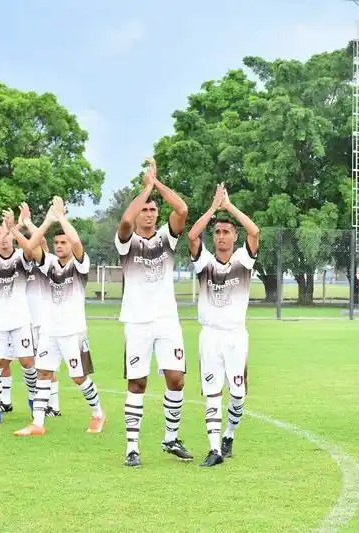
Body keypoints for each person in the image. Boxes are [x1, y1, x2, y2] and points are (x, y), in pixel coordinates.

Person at [116, 157, 192, 467]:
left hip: (166, 320)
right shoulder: (126, 242)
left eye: (152, 209)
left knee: (176, 379)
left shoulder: (166, 239)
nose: (149, 213)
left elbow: (183, 210)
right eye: (144, 209)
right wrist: (145, 190)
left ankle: (170, 438)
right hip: (136, 322)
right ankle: (132, 447)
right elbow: (123, 221)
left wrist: (157, 185)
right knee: (138, 384)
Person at [13, 197, 105, 437]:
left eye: (63, 242)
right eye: (57, 242)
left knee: (78, 377)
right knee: (44, 372)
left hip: (72, 330)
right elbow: (30, 247)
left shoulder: (80, 265)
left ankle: (97, 412)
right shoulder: (50, 263)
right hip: (50, 330)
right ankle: (38, 423)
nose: (60, 245)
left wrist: (61, 217)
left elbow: (76, 240)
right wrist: (44, 221)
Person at [187, 184, 260, 467]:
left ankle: (229, 434)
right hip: (210, 337)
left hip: (236, 337)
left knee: (238, 394)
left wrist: (228, 207)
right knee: (212, 392)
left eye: (226, 231)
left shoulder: (243, 259)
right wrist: (212, 209)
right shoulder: (204, 262)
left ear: (234, 236)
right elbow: (192, 236)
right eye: (217, 232)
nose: (220, 236)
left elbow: (255, 232)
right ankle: (215, 448)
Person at [0, 217, 38, 426]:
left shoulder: (22, 257)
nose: (3, 239)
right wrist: (7, 231)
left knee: (28, 363)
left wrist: (15, 229)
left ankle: (33, 399)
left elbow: (32, 251)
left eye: (6, 235)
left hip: (21, 320)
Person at [19, 202, 61, 417]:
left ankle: (53, 406)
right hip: (30, 322)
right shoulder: (27, 264)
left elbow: (39, 241)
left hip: (46, 321)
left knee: (46, 365)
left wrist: (27, 223)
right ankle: (44, 402)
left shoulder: (49, 261)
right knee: (35, 363)